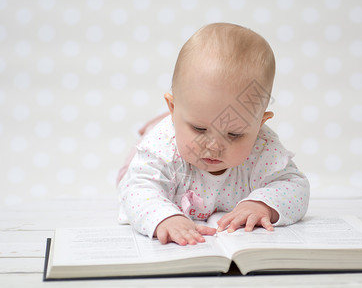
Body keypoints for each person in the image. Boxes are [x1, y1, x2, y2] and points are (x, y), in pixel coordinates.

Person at [117, 23, 309, 246]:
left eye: (234, 134)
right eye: (200, 129)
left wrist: (262, 204)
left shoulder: (263, 147)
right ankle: (160, 122)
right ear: (173, 107)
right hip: (150, 158)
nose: (214, 146)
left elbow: (295, 187)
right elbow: (136, 189)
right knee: (128, 174)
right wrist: (166, 217)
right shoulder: (161, 147)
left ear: (259, 124)